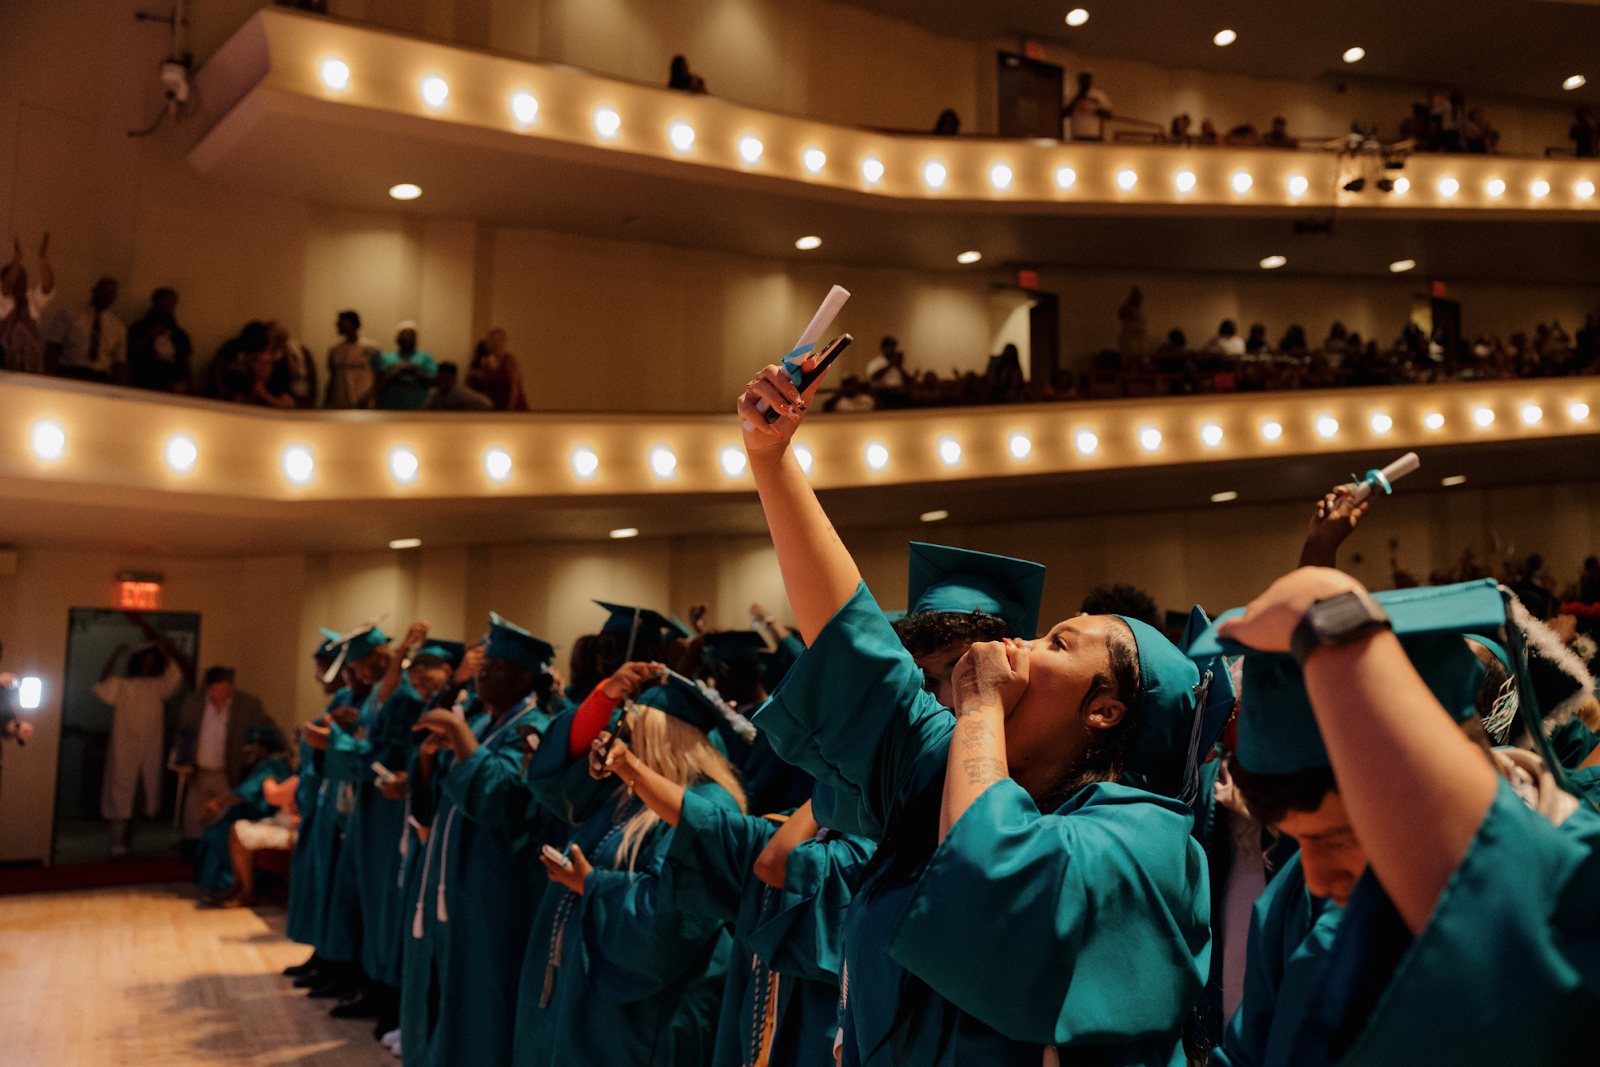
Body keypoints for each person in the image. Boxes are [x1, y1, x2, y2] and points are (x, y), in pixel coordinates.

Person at [733, 355, 1222, 1064]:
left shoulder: (1145, 842)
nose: (1018, 644)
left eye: (1058, 642)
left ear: (1106, 711)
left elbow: (990, 879)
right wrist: (772, 461)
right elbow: (856, 644)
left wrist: (983, 707)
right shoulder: (954, 768)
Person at [1201, 573, 1600, 1065]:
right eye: (1296, 841)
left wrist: (1338, 627)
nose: (1316, 878)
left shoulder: (1581, 883)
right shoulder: (1295, 902)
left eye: (1341, 836)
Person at [512, 668, 746, 1067]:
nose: (622, 737)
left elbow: (675, 917)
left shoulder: (706, 804)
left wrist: (592, 884)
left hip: (645, 1011)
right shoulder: (629, 792)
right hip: (589, 995)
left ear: (661, 736)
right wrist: (604, 695)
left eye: (632, 728)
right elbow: (557, 785)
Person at [402, 614, 570, 1067]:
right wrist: (425, 757)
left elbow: (505, 801)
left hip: (494, 888)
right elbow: (439, 790)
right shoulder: (485, 721)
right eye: (482, 664)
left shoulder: (535, 729)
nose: (481, 673)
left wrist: (458, 734)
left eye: (495, 667)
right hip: (453, 885)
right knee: (443, 986)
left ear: (523, 677)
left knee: (482, 997)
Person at [322, 624, 462, 1033]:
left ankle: (391, 998)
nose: (358, 675)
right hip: (380, 811)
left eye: (364, 664)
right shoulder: (392, 696)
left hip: (405, 821)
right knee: (374, 904)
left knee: (394, 908)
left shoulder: (413, 701)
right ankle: (374, 987)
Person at [295, 625, 391, 1003]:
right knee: (334, 895)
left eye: (354, 668)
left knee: (356, 903)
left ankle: (350, 974)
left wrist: (333, 733)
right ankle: (330, 962)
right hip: (339, 808)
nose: (352, 676)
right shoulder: (354, 703)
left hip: (366, 815)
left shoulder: (379, 704)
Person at [94, 640, 185, 856]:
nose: (147, 665)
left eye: (151, 662)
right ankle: (116, 844)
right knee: (120, 792)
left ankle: (128, 842)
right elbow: (104, 682)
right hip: (124, 747)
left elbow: (174, 675)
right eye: (144, 661)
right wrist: (115, 655)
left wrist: (166, 652)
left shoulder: (157, 686)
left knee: (140, 796)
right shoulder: (124, 685)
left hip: (149, 747)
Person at [171, 664, 272, 851]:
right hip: (199, 771)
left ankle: (217, 857)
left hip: (228, 772)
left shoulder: (247, 704)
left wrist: (253, 753)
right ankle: (193, 855)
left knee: (223, 817)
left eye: (226, 688)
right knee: (194, 818)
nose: (222, 693)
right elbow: (184, 733)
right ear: (208, 688)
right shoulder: (194, 703)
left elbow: (263, 731)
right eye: (217, 689)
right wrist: (181, 758)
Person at [191, 722, 293, 905]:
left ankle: (237, 888)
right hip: (255, 814)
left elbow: (249, 792)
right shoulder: (276, 763)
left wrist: (218, 802)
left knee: (219, 835)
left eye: (250, 748)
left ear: (262, 748)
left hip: (260, 816)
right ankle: (237, 887)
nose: (246, 752)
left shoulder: (271, 766)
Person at [46, 275, 124, 383]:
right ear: (95, 290)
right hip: (70, 371)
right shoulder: (70, 315)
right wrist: (49, 377)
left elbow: (119, 360)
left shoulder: (117, 326)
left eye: (111, 294)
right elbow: (53, 346)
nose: (107, 296)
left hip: (100, 376)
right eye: (105, 291)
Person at [0, 235, 54, 374]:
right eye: (17, 278)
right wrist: (18, 259)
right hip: (6, 363)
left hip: (32, 363)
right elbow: (6, 288)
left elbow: (47, 287)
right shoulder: (3, 300)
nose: (21, 282)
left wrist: (43, 259)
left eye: (23, 278)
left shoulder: (31, 299)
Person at [125, 288, 192, 392]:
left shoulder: (180, 335)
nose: (167, 305)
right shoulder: (139, 328)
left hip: (175, 383)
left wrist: (189, 385)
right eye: (164, 301)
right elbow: (130, 353)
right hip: (146, 379)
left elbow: (186, 363)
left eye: (171, 302)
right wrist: (149, 335)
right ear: (155, 302)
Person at [374, 322, 437, 410]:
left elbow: (436, 381)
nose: (407, 338)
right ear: (397, 338)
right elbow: (377, 383)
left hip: (418, 409)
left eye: (410, 335)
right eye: (403, 335)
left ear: (416, 339)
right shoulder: (386, 358)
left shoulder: (426, 358)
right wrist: (397, 373)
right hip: (389, 408)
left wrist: (416, 373)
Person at [325, 310, 379, 409]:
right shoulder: (335, 349)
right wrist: (327, 400)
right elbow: (332, 376)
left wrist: (370, 396)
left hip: (363, 401)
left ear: (353, 324)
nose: (339, 326)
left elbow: (380, 375)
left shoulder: (370, 348)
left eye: (342, 323)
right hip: (340, 401)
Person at [467, 328, 530, 411]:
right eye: (492, 340)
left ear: (503, 342)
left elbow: (515, 388)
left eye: (499, 340)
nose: (496, 343)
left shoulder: (509, 360)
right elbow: (485, 388)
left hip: (512, 406)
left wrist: (510, 409)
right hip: (495, 406)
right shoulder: (486, 363)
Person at [266, 320, 316, 407]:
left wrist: (284, 345)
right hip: (270, 392)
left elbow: (296, 373)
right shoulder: (266, 350)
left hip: (288, 394)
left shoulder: (295, 350)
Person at [1063, 70, 1111, 142]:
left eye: (1087, 78)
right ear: (1079, 80)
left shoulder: (1099, 95)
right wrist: (1078, 97)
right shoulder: (1071, 96)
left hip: (1095, 135)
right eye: (1083, 79)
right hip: (1077, 135)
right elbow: (1064, 113)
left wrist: (1095, 110)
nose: (1085, 81)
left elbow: (1109, 115)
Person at [423, 360, 493, 410]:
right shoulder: (437, 395)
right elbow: (424, 409)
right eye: (440, 377)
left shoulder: (461, 393)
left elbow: (487, 404)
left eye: (446, 378)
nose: (442, 381)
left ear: (453, 379)